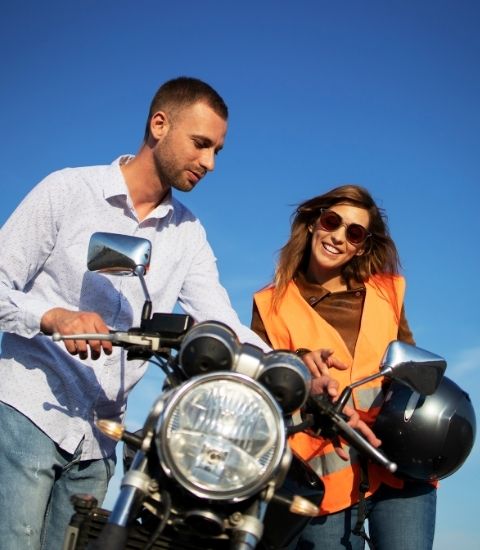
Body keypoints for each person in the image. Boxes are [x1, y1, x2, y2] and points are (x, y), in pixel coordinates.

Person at [0, 76, 278, 550]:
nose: (209, 163)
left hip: (101, 439)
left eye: (217, 151)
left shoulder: (187, 233)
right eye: (200, 144)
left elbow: (220, 320)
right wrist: (55, 316)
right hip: (30, 412)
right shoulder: (69, 190)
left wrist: (290, 363)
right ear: (159, 125)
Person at [251, 184, 436, 550]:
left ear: (362, 246)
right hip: (326, 480)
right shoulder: (270, 304)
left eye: (354, 233)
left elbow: (410, 368)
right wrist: (299, 363)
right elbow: (262, 382)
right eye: (332, 221)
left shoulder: (387, 292)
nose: (338, 236)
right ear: (312, 223)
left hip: (400, 467)